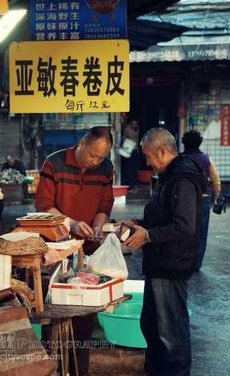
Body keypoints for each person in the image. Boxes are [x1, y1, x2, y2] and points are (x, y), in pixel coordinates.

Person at [121, 128, 206, 376]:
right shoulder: (169, 177)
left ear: (161, 151)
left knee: (171, 333)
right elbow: (163, 217)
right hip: (159, 263)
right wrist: (138, 224)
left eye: (149, 156)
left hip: (171, 265)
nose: (147, 163)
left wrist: (146, 235)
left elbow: (184, 226)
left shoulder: (182, 179)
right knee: (152, 325)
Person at [35, 126, 115, 375]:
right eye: (92, 155)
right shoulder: (54, 163)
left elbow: (105, 203)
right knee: (55, 310)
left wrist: (97, 226)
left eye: (101, 157)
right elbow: (43, 206)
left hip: (88, 248)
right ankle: (53, 367)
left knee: (84, 314)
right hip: (56, 248)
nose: (95, 161)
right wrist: (70, 223)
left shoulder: (105, 169)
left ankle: (80, 369)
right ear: (81, 143)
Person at [182, 130, 222, 270]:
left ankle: (184, 260)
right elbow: (215, 178)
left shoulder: (180, 158)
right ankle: (197, 263)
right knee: (201, 232)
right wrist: (217, 195)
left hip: (184, 199)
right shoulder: (206, 158)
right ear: (200, 142)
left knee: (184, 230)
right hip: (203, 198)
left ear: (183, 142)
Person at [121, 119, 140, 188]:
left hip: (134, 149)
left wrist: (137, 148)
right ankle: (130, 184)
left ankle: (133, 183)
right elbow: (124, 138)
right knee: (129, 167)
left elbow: (137, 139)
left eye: (136, 124)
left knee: (134, 167)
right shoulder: (127, 129)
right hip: (128, 149)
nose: (134, 125)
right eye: (133, 124)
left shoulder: (137, 129)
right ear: (130, 123)